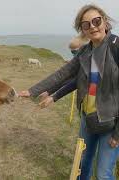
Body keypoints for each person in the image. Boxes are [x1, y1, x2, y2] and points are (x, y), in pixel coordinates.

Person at [19, 4, 119, 180]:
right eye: (86, 25)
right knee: (82, 166)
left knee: (103, 174)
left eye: (96, 21)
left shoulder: (115, 47)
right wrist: (33, 90)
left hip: (110, 124)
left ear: (104, 21)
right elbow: (63, 74)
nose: (93, 27)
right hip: (87, 120)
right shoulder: (85, 52)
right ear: (82, 30)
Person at [38, 35, 88, 108]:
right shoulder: (79, 65)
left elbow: (72, 83)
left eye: (75, 52)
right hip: (85, 106)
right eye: (72, 52)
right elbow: (66, 80)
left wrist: (51, 95)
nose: (74, 56)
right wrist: (49, 92)